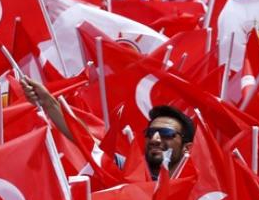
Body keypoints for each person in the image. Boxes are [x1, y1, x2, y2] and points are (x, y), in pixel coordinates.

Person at [20, 76, 194, 179]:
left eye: (166, 133)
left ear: (187, 147)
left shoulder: (198, 194)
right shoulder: (128, 170)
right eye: (151, 133)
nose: (155, 139)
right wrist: (48, 103)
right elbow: (85, 140)